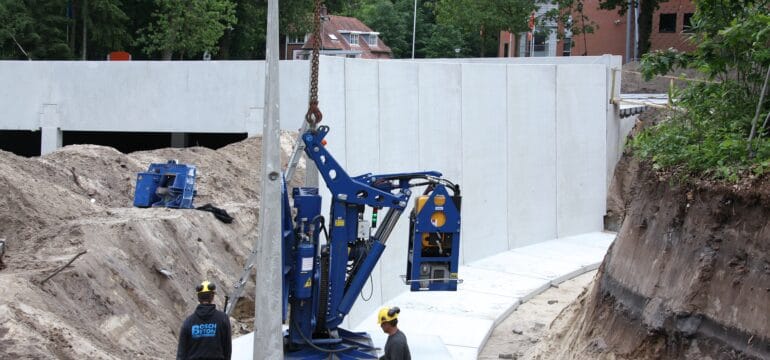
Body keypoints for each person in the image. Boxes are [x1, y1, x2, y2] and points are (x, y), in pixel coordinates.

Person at [176, 281, 232, 360]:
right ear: (212, 297)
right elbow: (227, 350)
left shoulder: (188, 322)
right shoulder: (223, 319)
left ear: (198, 298)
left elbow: (181, 354)